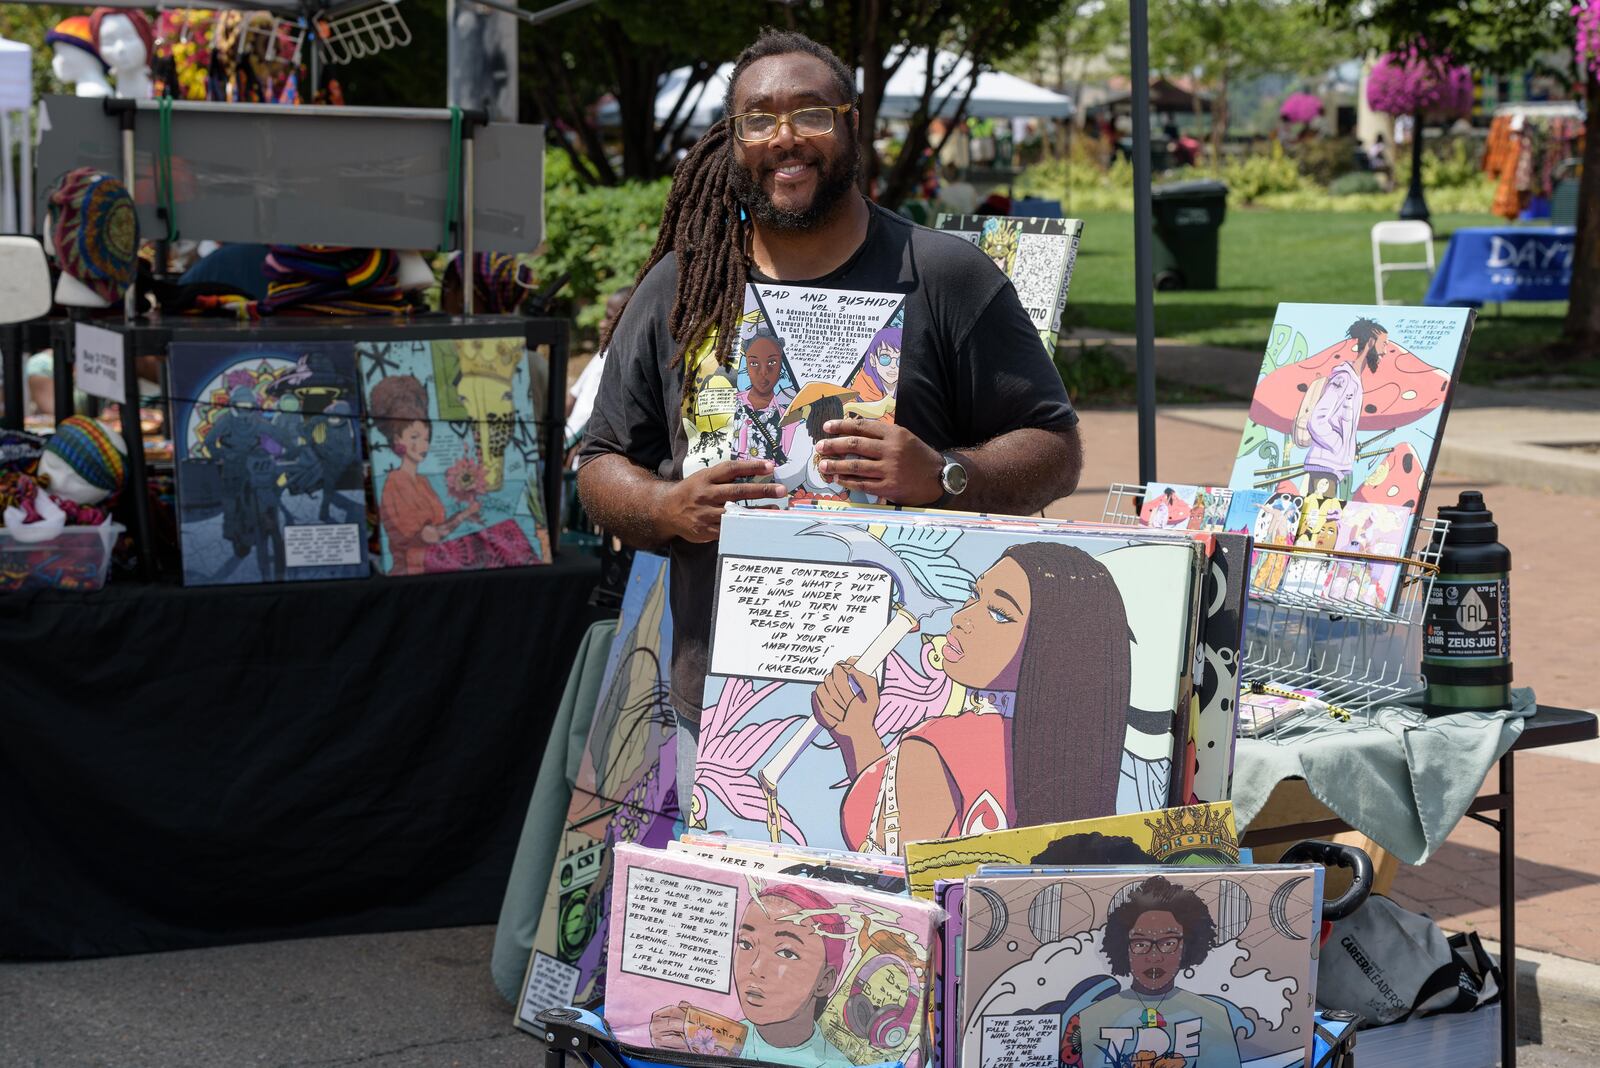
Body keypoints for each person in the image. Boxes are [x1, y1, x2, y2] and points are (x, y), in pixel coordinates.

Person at [578, 29, 1083, 809]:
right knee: (749, 929)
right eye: (758, 118)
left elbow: (1055, 448)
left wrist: (946, 474)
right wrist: (662, 506)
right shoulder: (684, 290)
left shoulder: (943, 275)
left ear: (853, 124)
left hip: (909, 706)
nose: (784, 137)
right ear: (733, 138)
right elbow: (601, 460)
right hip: (718, 698)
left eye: (810, 112)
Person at [812, 542, 1129, 852]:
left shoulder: (944, 745)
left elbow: (887, 851)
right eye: (975, 595)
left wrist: (858, 736)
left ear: (1058, 647)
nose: (961, 618)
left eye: (1000, 614)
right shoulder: (1084, 760)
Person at [649, 883, 854, 1066]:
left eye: (786, 953)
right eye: (746, 943)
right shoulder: (713, 1039)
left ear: (825, 981)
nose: (756, 967)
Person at [1073, 875, 1243, 1068]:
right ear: (1123, 947)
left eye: (1168, 943)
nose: (1154, 956)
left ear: (1187, 946)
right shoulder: (1089, 1019)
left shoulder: (1215, 1016)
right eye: (1140, 943)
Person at [369, 374, 482, 575]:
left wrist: (465, 514)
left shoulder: (422, 481)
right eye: (414, 437)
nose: (423, 445)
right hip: (412, 571)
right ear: (397, 439)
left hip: (436, 566)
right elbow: (428, 536)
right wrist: (462, 517)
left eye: (426, 438)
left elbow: (438, 529)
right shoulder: (395, 483)